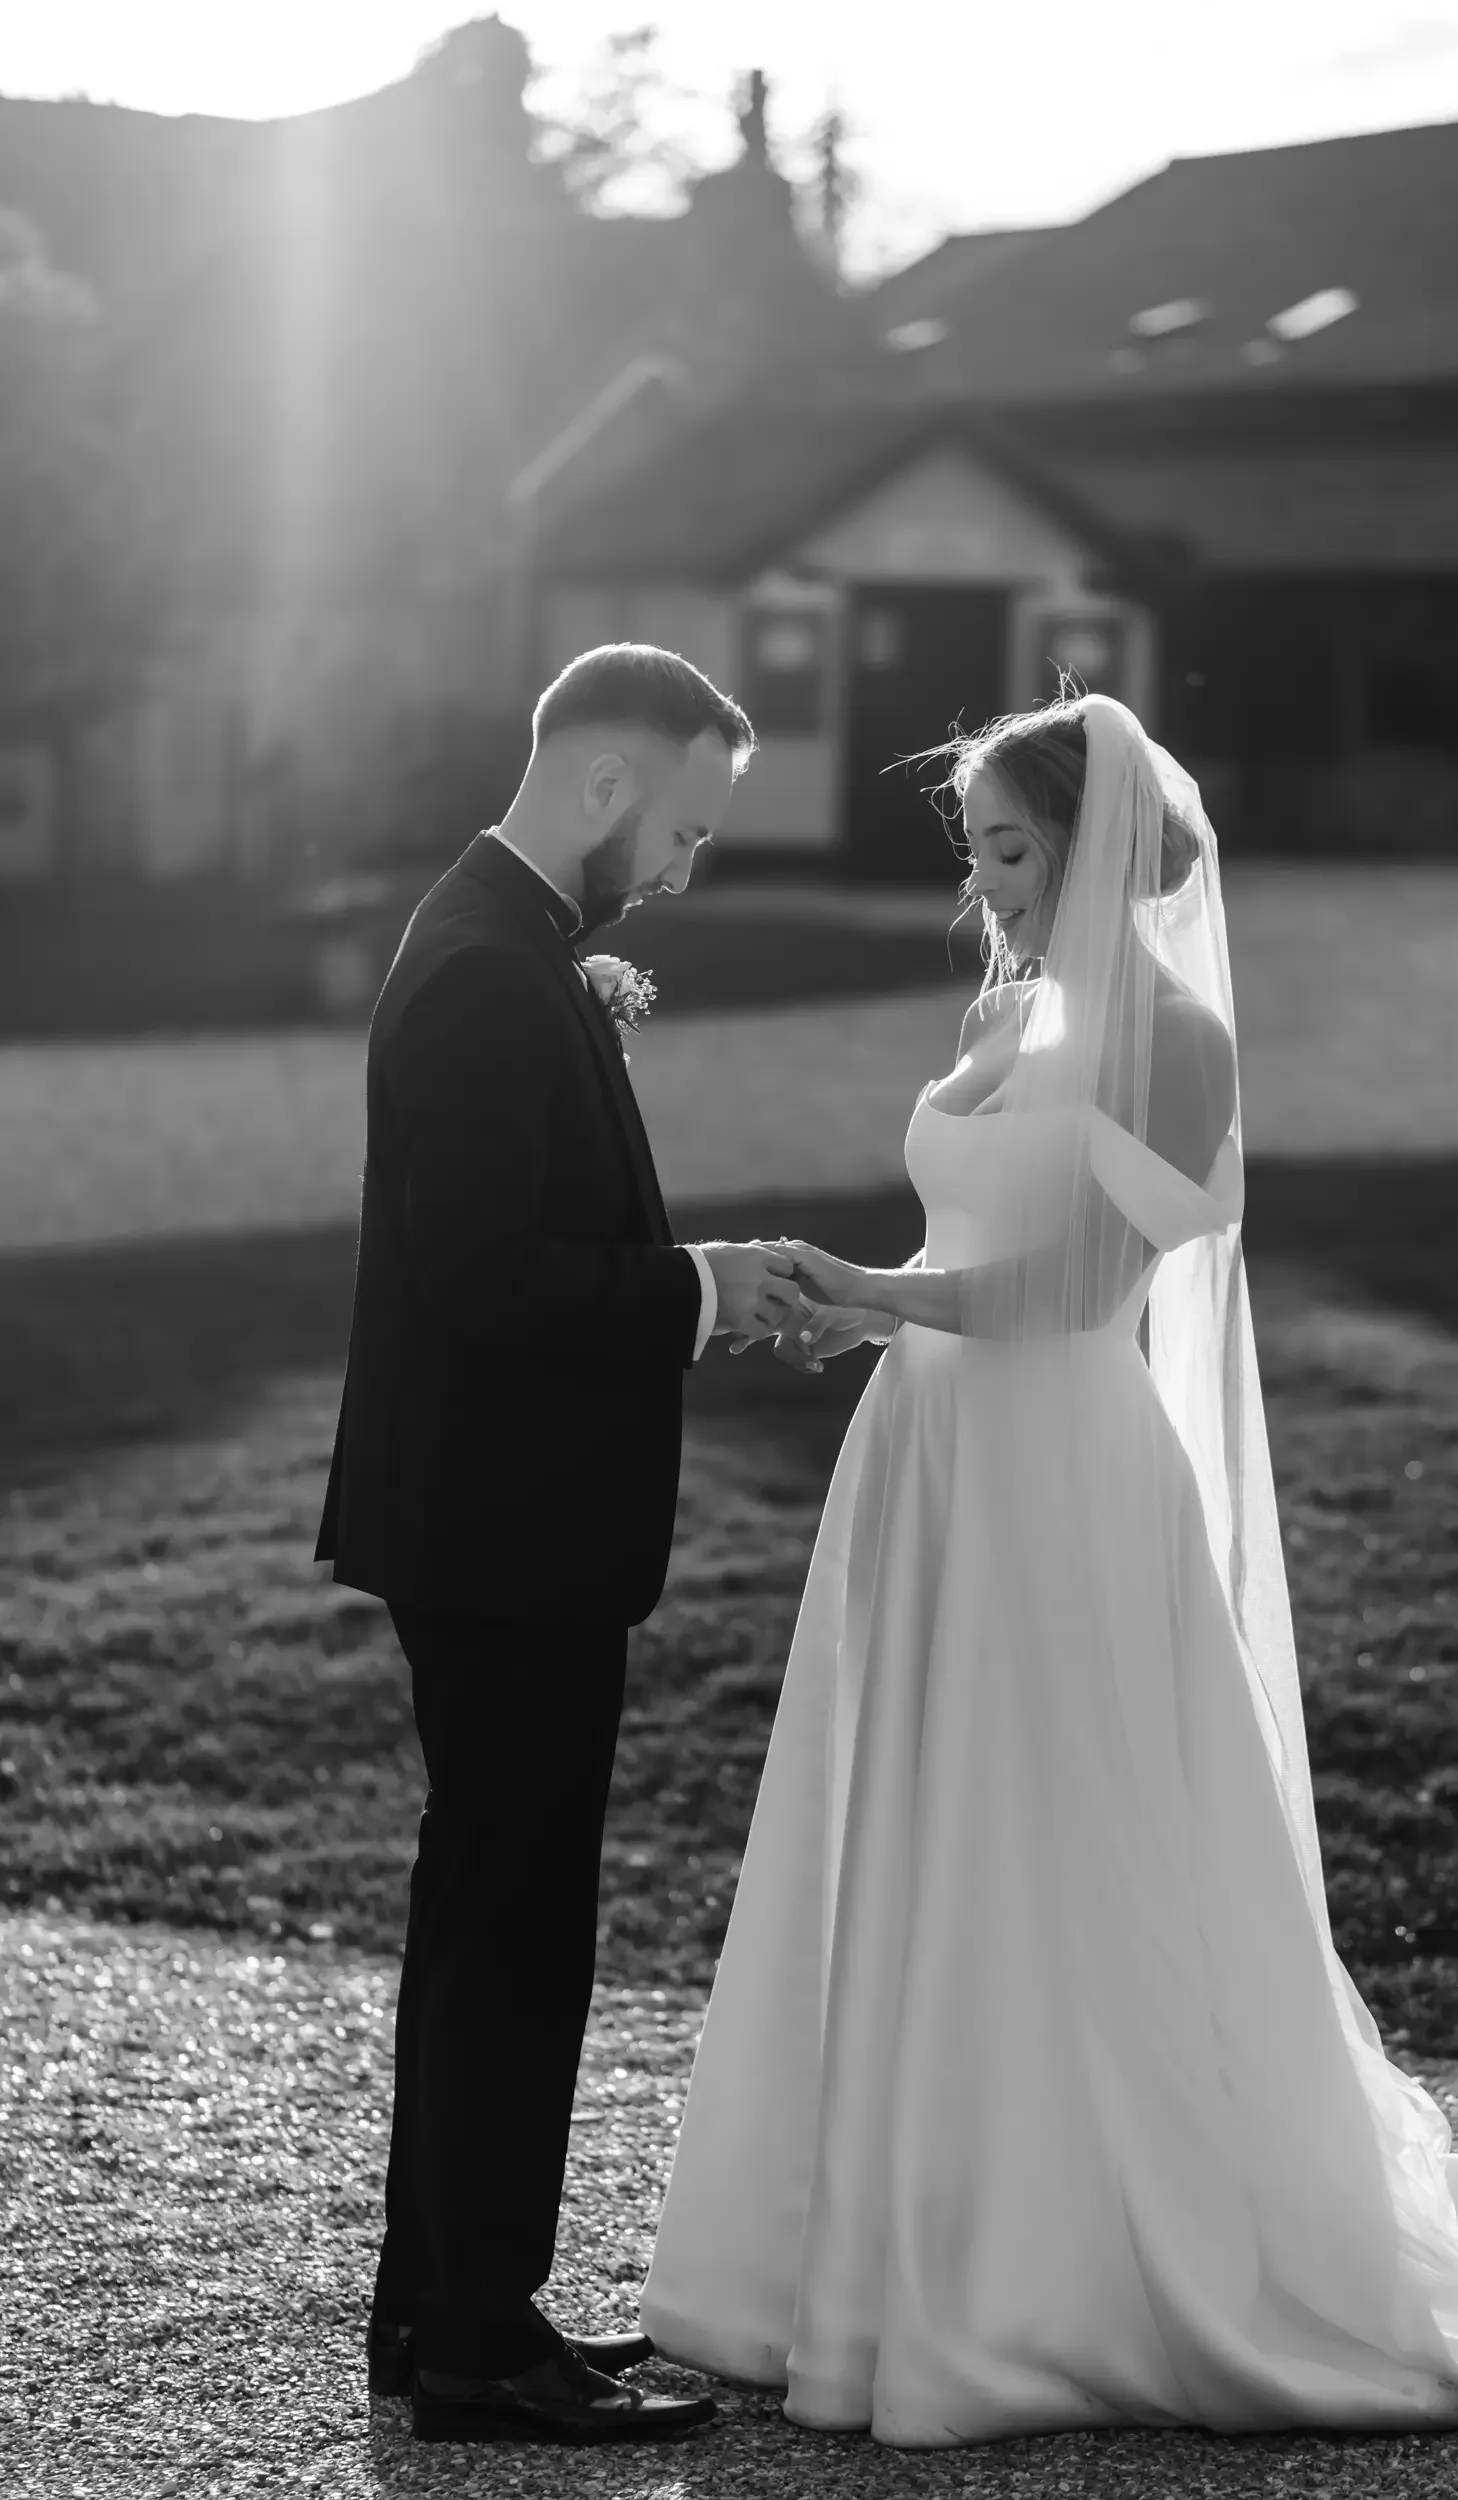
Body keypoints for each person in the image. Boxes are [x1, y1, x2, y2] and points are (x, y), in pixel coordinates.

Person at [638, 689, 1458, 2446]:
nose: (988, 888)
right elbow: (977, 1244)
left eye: (1013, 850)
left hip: (1059, 1468)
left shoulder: (1174, 1038)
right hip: (930, 1452)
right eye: (973, 854)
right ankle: (888, 2237)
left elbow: (1074, 1293)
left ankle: (1055, 2264)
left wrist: (876, 1295)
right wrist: (861, 1309)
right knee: (921, 1816)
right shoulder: (1001, 1008)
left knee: (1058, 1824)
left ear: (1098, 842)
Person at [316, 643, 810, 2446]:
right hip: (501, 1528)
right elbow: (480, 1279)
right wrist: (698, 1287)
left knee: (491, 1918)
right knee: (512, 1928)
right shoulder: (478, 971)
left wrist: (699, 1277)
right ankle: (477, 2350)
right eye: (682, 825)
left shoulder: (510, 939)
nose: (682, 869)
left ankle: (442, 2310)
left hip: (503, 1520)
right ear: (605, 786)